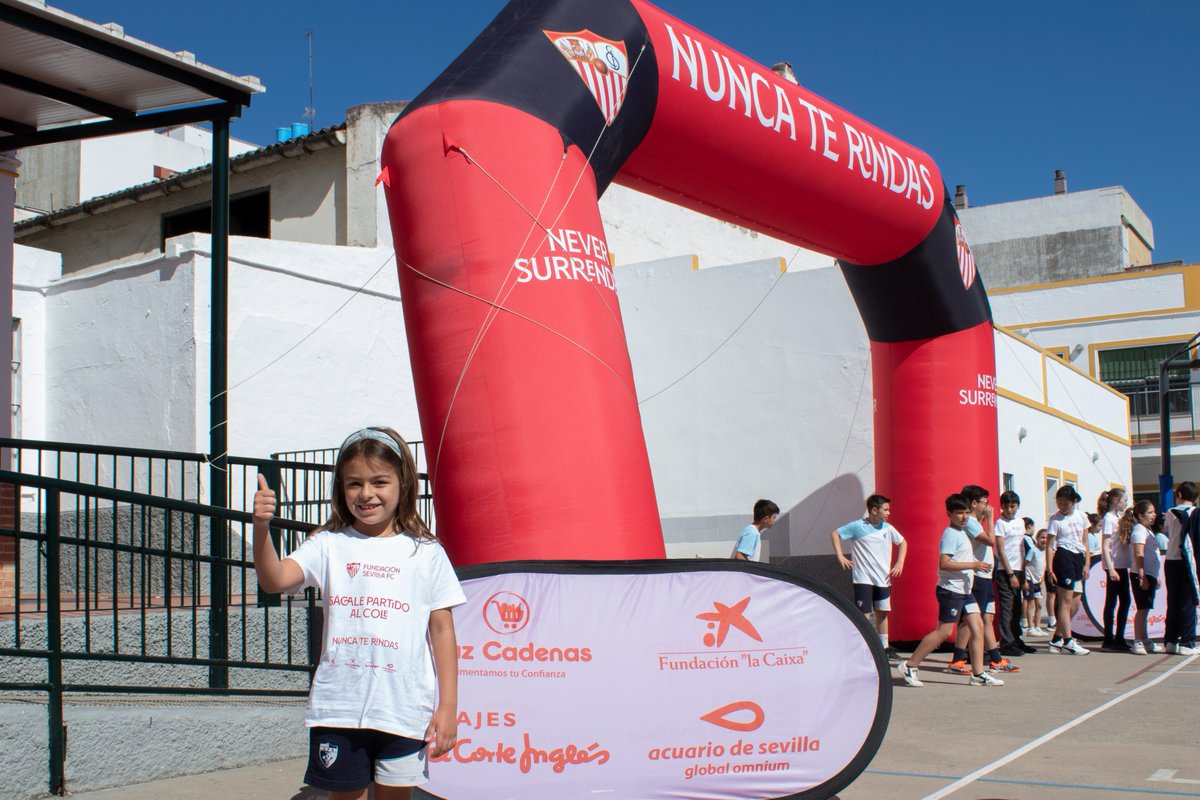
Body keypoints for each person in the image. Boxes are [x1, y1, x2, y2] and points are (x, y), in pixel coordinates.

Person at [253, 427, 466, 800]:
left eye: (379, 481)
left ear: (402, 484)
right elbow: (274, 580)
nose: (366, 494)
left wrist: (448, 707)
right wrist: (260, 529)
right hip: (338, 709)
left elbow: (442, 631)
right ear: (341, 488)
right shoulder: (327, 545)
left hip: (404, 711)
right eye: (354, 484)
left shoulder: (427, 552)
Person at [894, 493, 1003, 687]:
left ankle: (978, 674)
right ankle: (910, 664)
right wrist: (973, 565)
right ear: (949, 513)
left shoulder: (962, 532)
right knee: (943, 632)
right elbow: (944, 563)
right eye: (959, 513)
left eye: (966, 513)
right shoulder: (950, 534)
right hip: (950, 591)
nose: (964, 517)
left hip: (964, 590)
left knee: (977, 628)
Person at [948, 485, 1018, 674]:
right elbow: (990, 541)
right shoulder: (970, 521)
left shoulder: (976, 522)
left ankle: (995, 659)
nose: (987, 506)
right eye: (984, 503)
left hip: (986, 576)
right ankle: (957, 659)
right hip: (977, 576)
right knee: (970, 620)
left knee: (987, 618)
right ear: (974, 503)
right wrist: (989, 519)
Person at [832, 494, 908, 661]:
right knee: (864, 614)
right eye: (886, 509)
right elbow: (836, 534)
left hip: (883, 578)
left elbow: (902, 542)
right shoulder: (857, 526)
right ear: (874, 510)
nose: (889, 513)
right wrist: (840, 555)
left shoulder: (887, 528)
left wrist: (899, 562)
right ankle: (862, 647)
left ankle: (884, 647)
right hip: (863, 578)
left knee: (882, 613)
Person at [1045, 485, 1091, 655]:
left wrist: (1087, 564)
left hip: (1078, 557)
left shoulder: (1082, 517)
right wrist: (1050, 569)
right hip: (1064, 556)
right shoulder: (1055, 520)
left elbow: (1085, 541)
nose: (1062, 506)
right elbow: (1050, 546)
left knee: (1075, 603)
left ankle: (1057, 638)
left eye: (1066, 502)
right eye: (1059, 502)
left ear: (1074, 502)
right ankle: (1068, 641)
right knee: (1064, 601)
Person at [993, 491, 1035, 656]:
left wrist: (1023, 574)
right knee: (1007, 607)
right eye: (1007, 506)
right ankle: (1006, 642)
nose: (1010, 509)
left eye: (1013, 506)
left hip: (1019, 568)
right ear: (1002, 507)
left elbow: (1021, 547)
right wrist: (1010, 574)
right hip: (1005, 570)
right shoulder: (1000, 524)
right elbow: (1000, 549)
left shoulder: (1020, 522)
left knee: (1018, 607)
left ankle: (1017, 639)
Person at [1163, 482, 1199, 656]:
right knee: (1188, 600)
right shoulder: (1195, 513)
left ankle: (1170, 640)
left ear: (1179, 495)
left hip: (1171, 559)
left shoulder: (1170, 512)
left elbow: (1166, 530)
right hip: (1188, 560)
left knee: (1173, 601)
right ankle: (1187, 641)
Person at [1123, 500, 1162, 655]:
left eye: (1154, 512)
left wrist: (1155, 575)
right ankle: (1138, 640)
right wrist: (1142, 574)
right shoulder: (1139, 530)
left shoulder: (1147, 530)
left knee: (1146, 609)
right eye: (1150, 512)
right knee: (1142, 608)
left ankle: (1145, 639)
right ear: (1140, 515)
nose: (1154, 515)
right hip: (1141, 574)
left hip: (1149, 574)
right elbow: (1138, 553)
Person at [1098, 488, 1132, 652]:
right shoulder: (1108, 519)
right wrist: (1110, 568)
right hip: (1114, 566)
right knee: (1113, 601)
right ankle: (1109, 638)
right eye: (1124, 500)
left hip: (1122, 565)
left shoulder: (1119, 519)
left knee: (1124, 601)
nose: (1126, 503)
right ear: (1116, 501)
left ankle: (1119, 636)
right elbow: (1105, 545)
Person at [1023, 529, 1049, 636]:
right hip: (1030, 581)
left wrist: (1042, 576)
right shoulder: (1033, 551)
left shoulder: (1047, 552)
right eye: (1042, 537)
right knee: (1031, 604)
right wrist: (1025, 581)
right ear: (1037, 538)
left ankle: (1037, 626)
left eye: (1046, 538)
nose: (1044, 540)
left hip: (1038, 581)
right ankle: (1030, 627)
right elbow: (1025, 564)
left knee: (1039, 604)